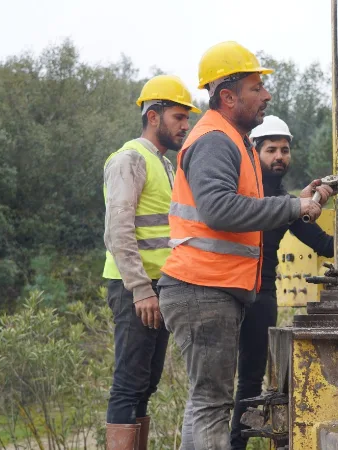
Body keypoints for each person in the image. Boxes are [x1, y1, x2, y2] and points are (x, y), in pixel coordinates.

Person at [157, 41, 333, 450]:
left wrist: (297, 203)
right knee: (212, 405)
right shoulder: (216, 140)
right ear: (228, 96)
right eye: (257, 88)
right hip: (202, 289)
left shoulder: (234, 140)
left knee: (206, 404)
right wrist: (293, 205)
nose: (266, 95)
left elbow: (249, 208)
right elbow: (219, 208)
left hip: (207, 289)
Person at [102, 75, 200, 450]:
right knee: (128, 384)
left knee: (146, 384)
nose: (185, 125)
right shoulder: (129, 159)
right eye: (178, 117)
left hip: (160, 288)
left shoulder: (164, 164)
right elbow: (119, 231)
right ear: (153, 116)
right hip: (135, 290)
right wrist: (141, 290)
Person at [230, 116, 334, 449]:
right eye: (271, 149)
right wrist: (299, 205)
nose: (279, 156)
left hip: (261, 297)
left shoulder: (285, 201)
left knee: (250, 381)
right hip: (227, 293)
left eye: (285, 150)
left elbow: (321, 243)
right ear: (254, 152)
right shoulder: (240, 191)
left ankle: (236, 446)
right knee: (215, 385)